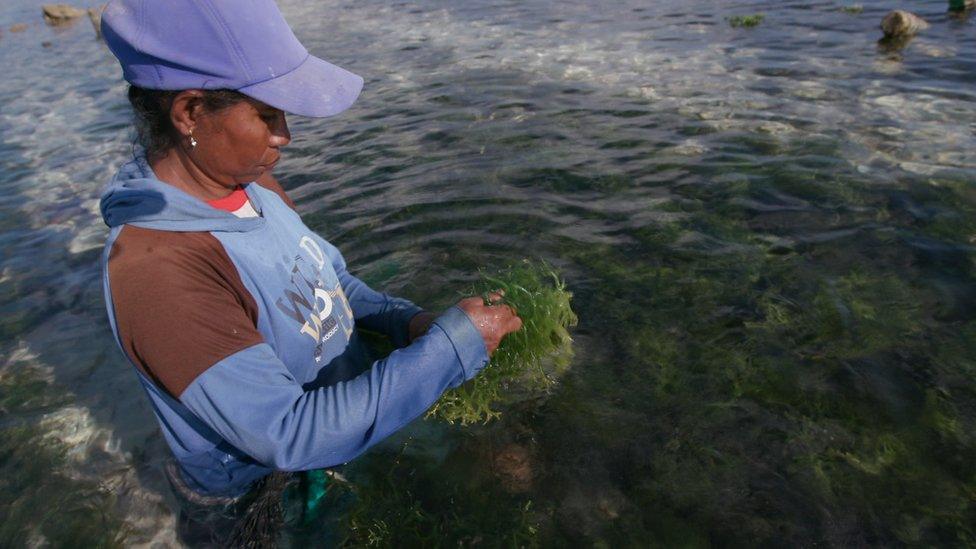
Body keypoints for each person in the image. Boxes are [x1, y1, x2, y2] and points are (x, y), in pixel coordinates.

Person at [97, 0, 522, 544]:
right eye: (268, 115)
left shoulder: (250, 186)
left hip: (334, 433)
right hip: (255, 494)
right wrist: (452, 348)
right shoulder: (158, 272)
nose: (286, 137)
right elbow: (288, 432)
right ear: (189, 112)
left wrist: (409, 324)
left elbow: (329, 281)